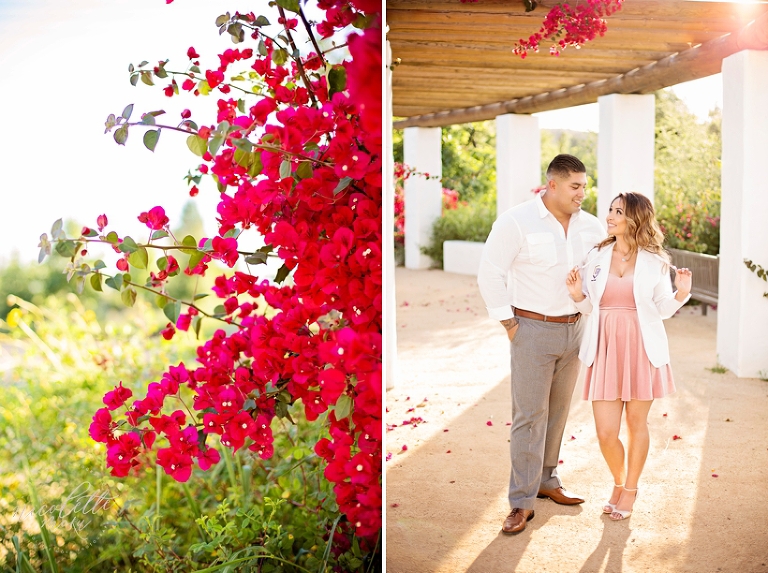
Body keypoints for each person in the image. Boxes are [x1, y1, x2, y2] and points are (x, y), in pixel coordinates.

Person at [477, 154, 605, 535]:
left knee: (559, 410)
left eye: (585, 185)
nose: (583, 192)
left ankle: (548, 480)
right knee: (529, 416)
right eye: (575, 186)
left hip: (575, 329)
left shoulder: (592, 226)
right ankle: (521, 502)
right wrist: (509, 324)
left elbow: (598, 276)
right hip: (531, 329)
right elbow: (490, 272)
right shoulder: (517, 220)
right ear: (552, 184)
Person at [566, 192, 692, 521]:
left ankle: (630, 490)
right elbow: (589, 305)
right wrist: (578, 294)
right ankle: (618, 482)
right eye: (610, 209)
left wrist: (681, 292)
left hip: (641, 347)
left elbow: (663, 309)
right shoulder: (597, 255)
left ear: (634, 218)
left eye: (617, 211)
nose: (609, 216)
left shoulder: (655, 259)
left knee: (637, 424)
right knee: (606, 431)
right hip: (605, 345)